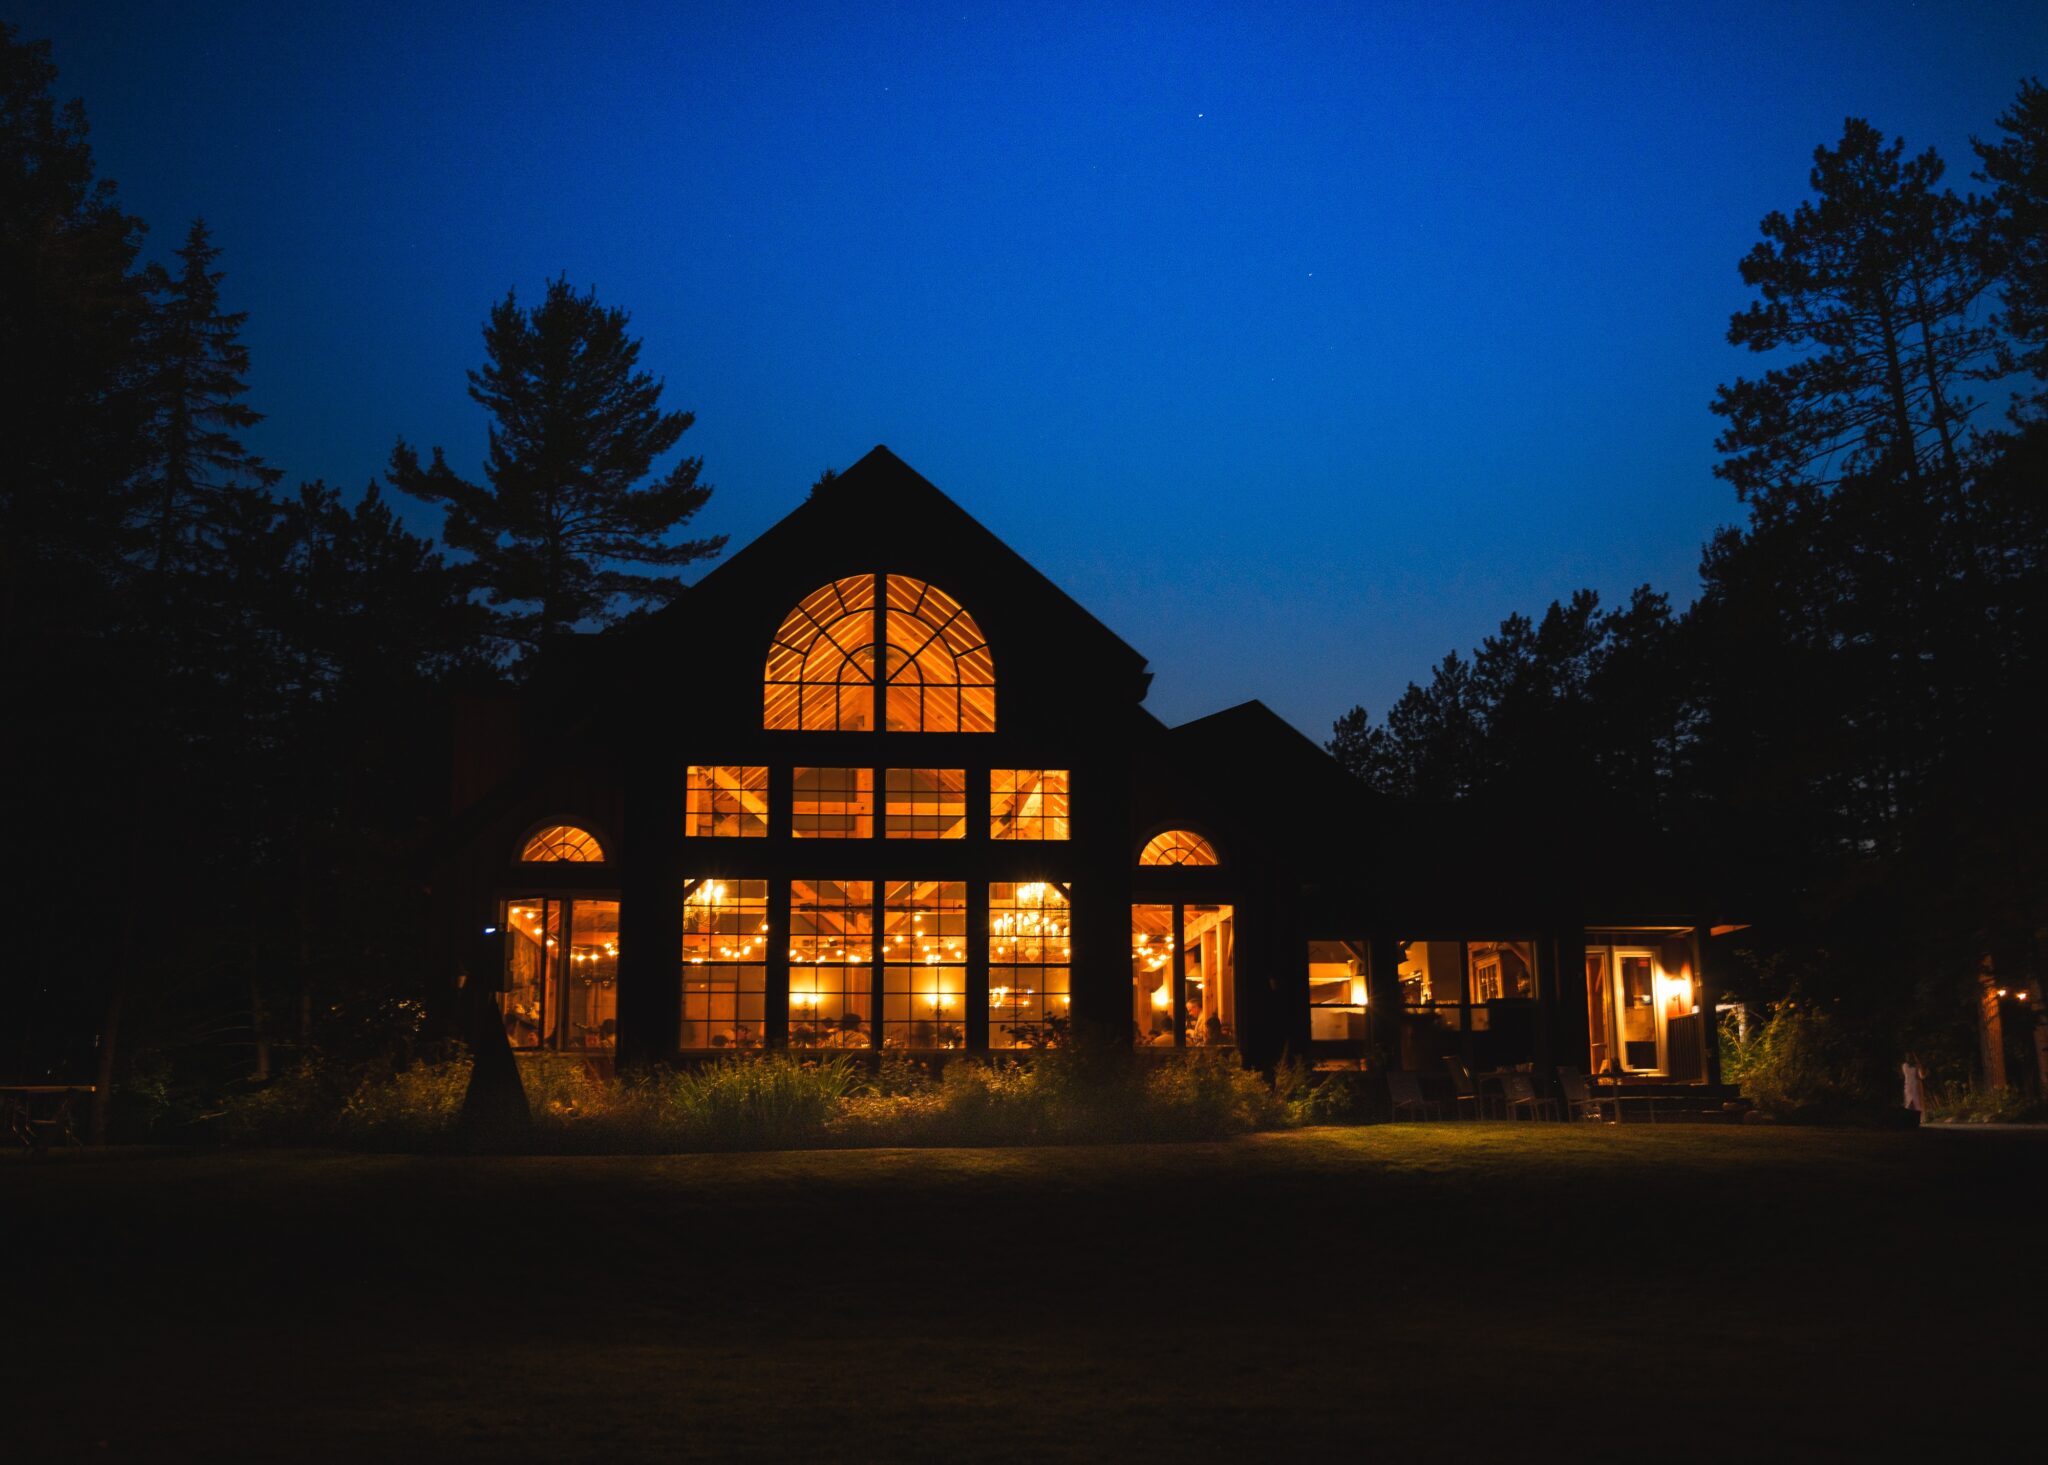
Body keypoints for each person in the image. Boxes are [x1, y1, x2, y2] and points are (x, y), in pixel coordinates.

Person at [1901, 1052, 1928, 1118]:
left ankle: (1907, 1118)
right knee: (1918, 1102)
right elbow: (1921, 1076)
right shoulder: (1917, 1065)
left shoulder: (1904, 1065)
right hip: (1916, 1085)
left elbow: (1905, 1075)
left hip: (1907, 1085)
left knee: (1908, 1103)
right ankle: (1921, 1118)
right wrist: (1926, 1073)